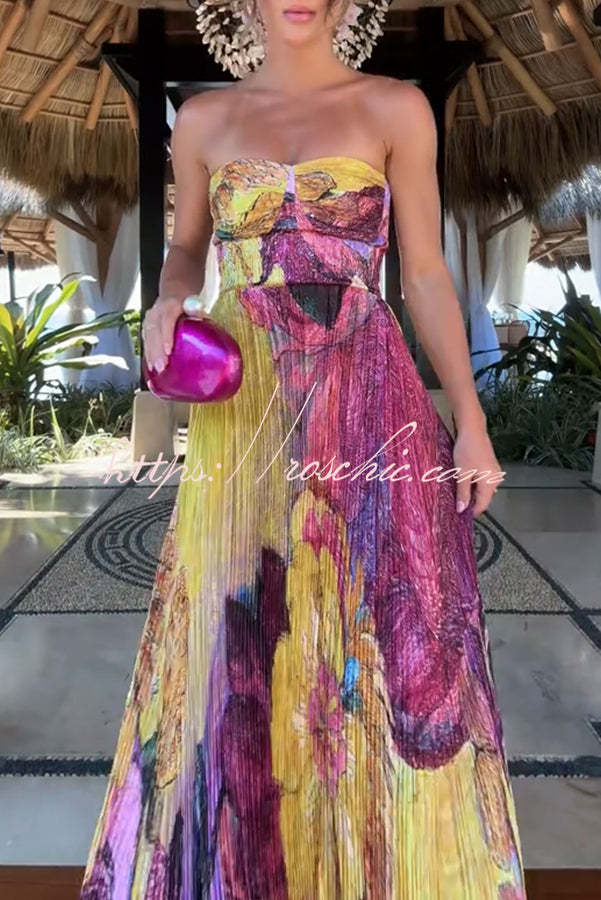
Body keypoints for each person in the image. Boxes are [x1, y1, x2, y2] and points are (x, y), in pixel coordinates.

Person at [80, 0, 527, 896]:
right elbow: (186, 249)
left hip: (368, 392)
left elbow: (424, 272)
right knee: (242, 617)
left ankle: (375, 868)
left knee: (378, 618)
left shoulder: (395, 106)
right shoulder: (203, 118)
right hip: (245, 400)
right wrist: (168, 298)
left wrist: (469, 419)